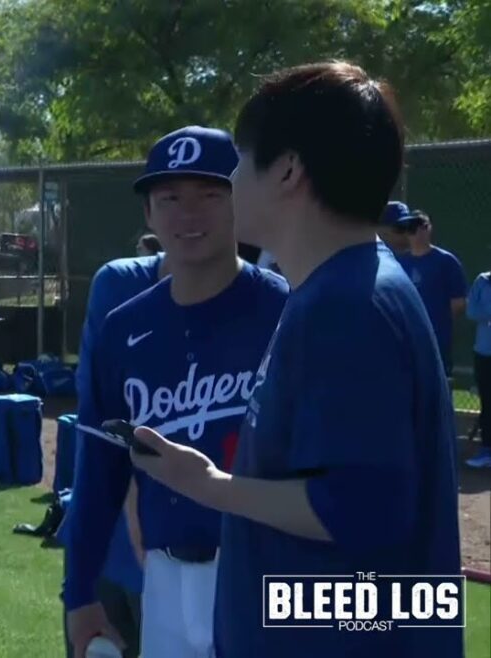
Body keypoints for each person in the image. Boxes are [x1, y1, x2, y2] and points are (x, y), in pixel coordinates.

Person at [130, 61, 463, 658]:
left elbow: (359, 510)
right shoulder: (343, 288)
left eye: (239, 160)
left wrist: (208, 484)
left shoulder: (348, 303)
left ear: (287, 169)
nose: (231, 178)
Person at [64, 125, 289, 658]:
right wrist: (79, 593)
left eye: (211, 195)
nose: (189, 215)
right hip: (162, 578)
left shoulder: (286, 312)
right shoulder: (123, 328)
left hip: (260, 570)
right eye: (169, 198)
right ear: (148, 214)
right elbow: (98, 470)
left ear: (242, 201)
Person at [60, 226, 173, 658]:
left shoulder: (273, 294)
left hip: (194, 571)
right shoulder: (121, 285)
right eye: (171, 197)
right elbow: (102, 428)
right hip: (114, 552)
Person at [395, 209, 468, 375]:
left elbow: (458, 303)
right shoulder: (399, 262)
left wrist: (434, 324)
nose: (413, 233)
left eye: (417, 227)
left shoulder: (446, 261)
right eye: (409, 228)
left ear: (428, 229)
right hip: (405, 340)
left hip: (436, 340)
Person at [467, 271, 491, 467]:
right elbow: (471, 311)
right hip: (484, 352)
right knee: (488, 401)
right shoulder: (482, 281)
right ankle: (487, 450)